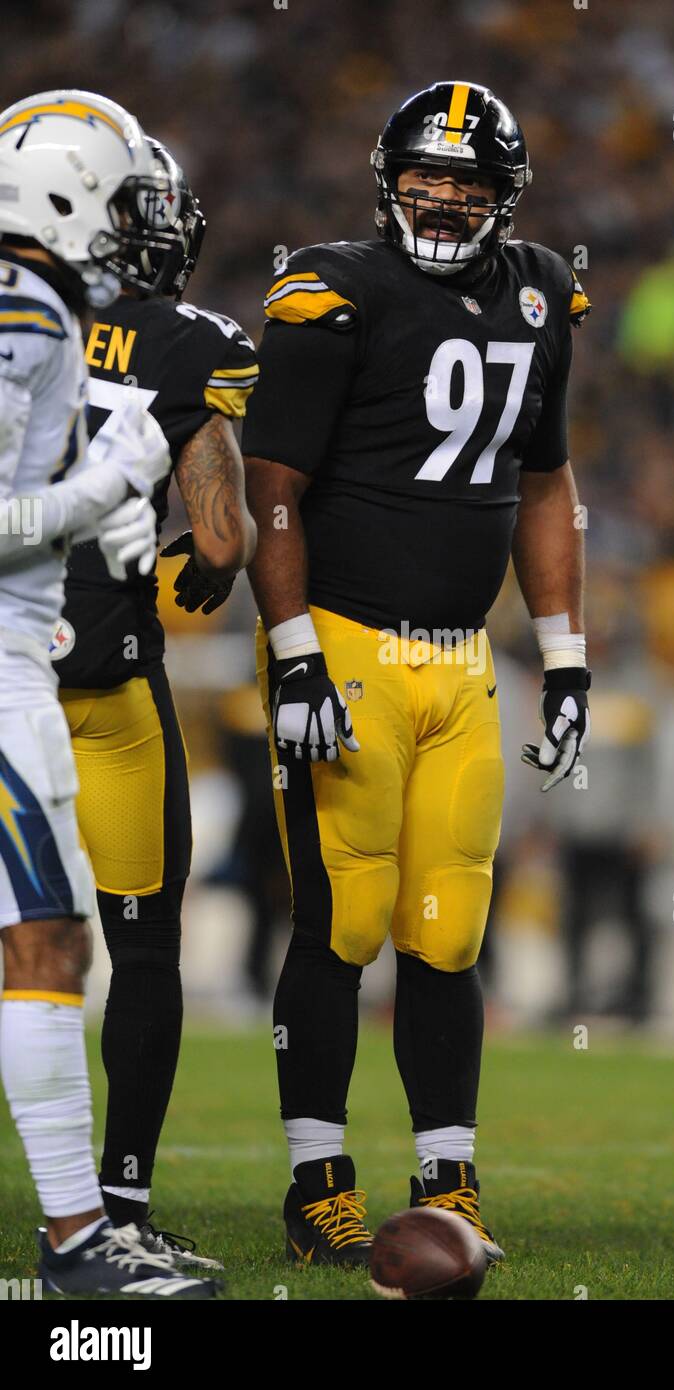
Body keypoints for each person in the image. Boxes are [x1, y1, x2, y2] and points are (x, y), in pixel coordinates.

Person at [243, 81, 591, 1265]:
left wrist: (565, 654)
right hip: (343, 642)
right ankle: (316, 1183)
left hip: (462, 659)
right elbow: (273, 490)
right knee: (340, 921)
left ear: (506, 197)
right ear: (385, 175)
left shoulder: (541, 291)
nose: (444, 197)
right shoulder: (333, 289)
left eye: (470, 182)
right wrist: (293, 658)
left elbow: (543, 485)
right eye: (427, 174)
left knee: (447, 929)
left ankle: (447, 1174)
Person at [0, 89, 216, 1297]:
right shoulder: (20, 309)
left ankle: (83, 1230)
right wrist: (101, 493)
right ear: (71, 194)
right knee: (40, 939)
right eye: (127, 198)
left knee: (42, 939)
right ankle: (82, 1243)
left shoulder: (43, 311)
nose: (142, 227)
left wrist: (108, 510)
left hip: (23, 652)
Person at [54, 135, 258, 1269]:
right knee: (142, 953)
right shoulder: (194, 347)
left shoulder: (19, 326)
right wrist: (207, 554)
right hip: (116, 690)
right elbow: (224, 536)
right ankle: (118, 1207)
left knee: (31, 949)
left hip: (10, 672)